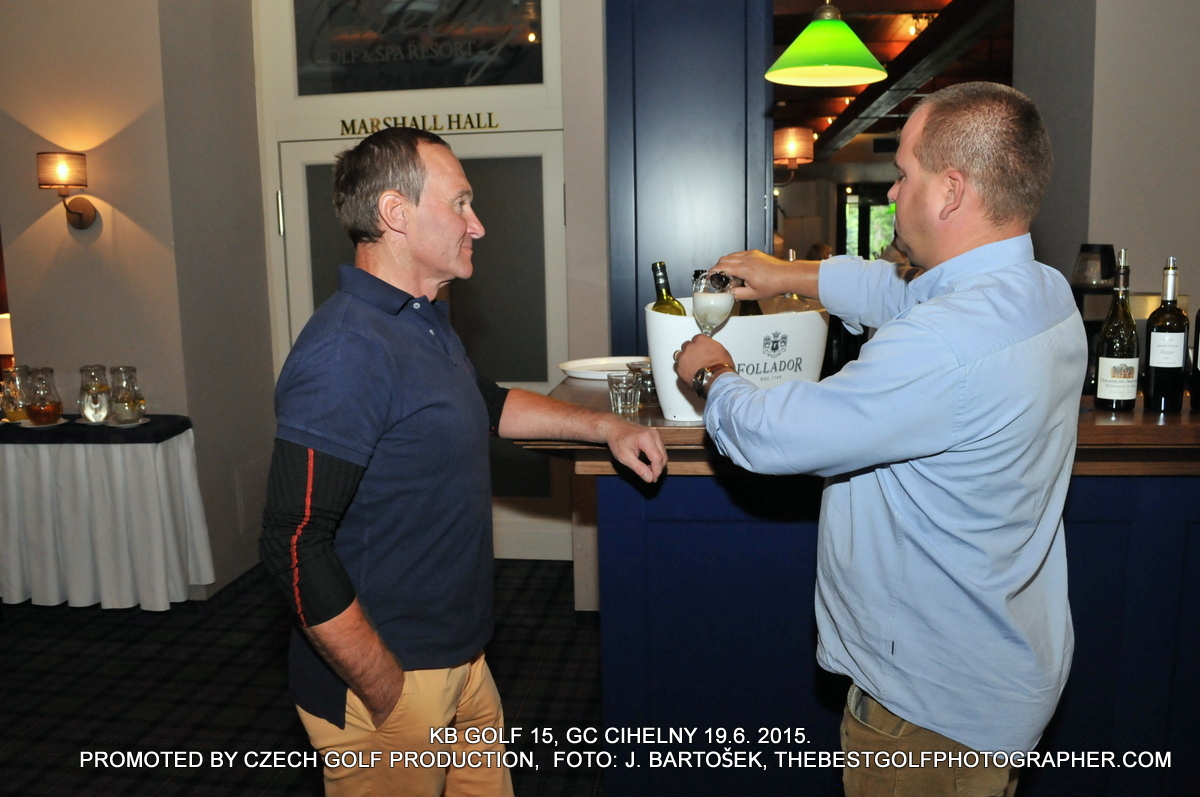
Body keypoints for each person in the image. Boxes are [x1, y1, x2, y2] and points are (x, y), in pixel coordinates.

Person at [675, 82, 1085, 796]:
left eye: (902, 175)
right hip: (997, 663)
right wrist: (787, 275)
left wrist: (714, 375)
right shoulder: (1040, 289)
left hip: (928, 707)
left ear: (950, 191)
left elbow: (775, 436)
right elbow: (898, 293)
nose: (892, 193)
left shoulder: (946, 344)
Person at [260, 126, 667, 797]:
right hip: (392, 679)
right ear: (395, 212)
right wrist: (387, 688)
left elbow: (489, 403)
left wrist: (606, 427)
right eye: (460, 204)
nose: (477, 225)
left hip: (461, 659)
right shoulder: (345, 350)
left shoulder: (419, 319)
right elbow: (292, 540)